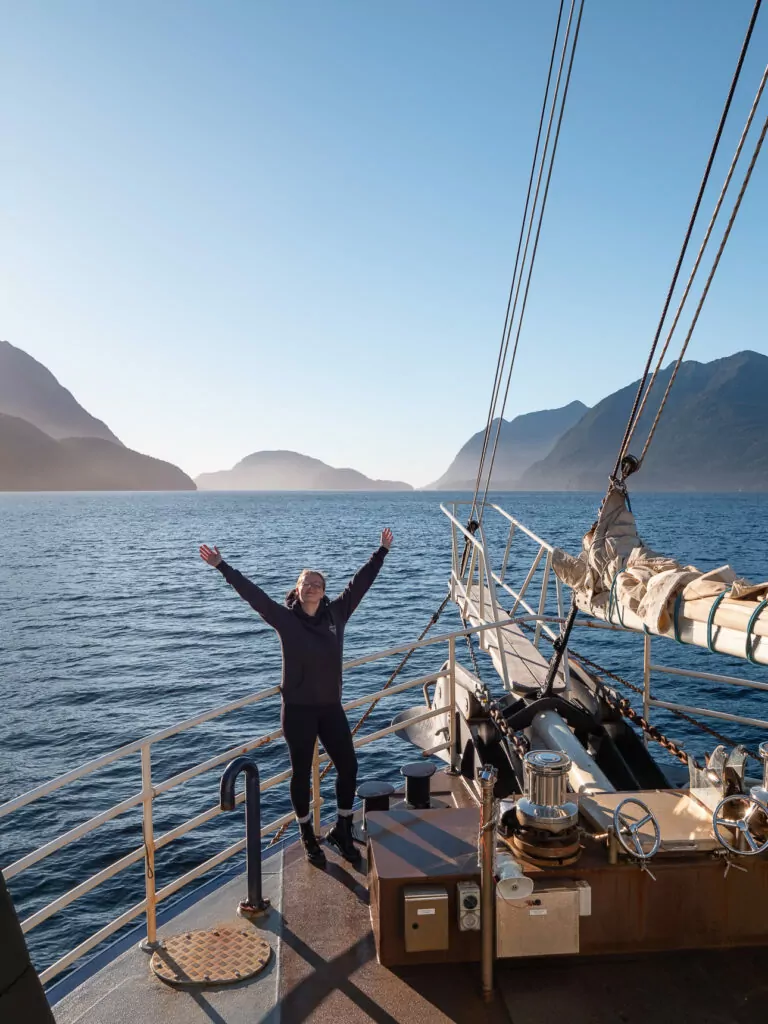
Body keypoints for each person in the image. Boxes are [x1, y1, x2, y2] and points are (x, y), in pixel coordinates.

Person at [199, 529, 393, 868]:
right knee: (301, 773)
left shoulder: (337, 614)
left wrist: (381, 552)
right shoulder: (285, 620)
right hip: (299, 711)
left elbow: (360, 583)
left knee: (348, 766)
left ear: (323, 590)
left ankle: (343, 829)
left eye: (318, 583)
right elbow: (253, 595)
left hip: (331, 709)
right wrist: (222, 566)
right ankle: (306, 833)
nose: (313, 587)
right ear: (298, 589)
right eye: (307, 582)